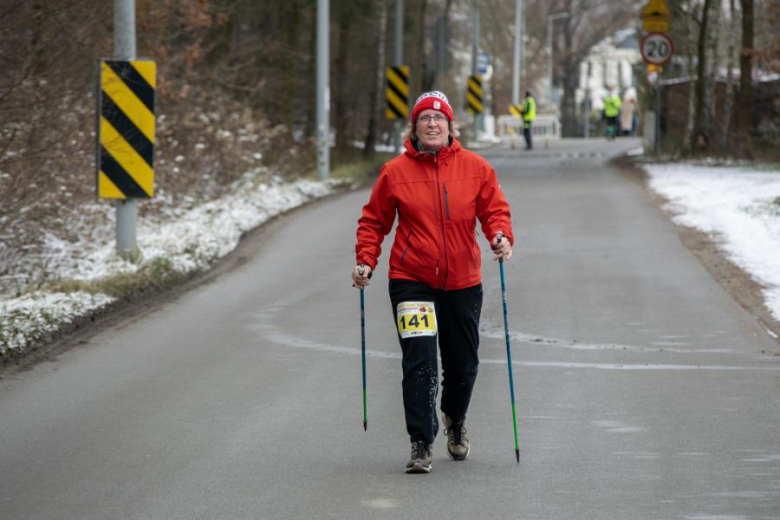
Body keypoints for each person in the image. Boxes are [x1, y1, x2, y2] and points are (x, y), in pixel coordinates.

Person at [351, 91, 514, 474]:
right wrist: (365, 260)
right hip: (412, 281)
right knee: (420, 362)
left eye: (439, 119)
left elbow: (494, 210)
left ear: (450, 126)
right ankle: (421, 442)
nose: (432, 124)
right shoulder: (395, 171)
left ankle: (454, 421)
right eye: (425, 118)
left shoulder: (476, 167)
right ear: (415, 127)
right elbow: (373, 222)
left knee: (463, 365)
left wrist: (501, 236)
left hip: (463, 280)